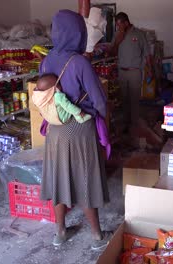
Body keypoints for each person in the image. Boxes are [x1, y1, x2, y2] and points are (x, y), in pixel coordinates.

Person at [39, 10, 111, 249]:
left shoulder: (46, 60)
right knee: (86, 179)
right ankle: (97, 236)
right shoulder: (79, 62)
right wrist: (101, 116)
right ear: (79, 33)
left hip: (55, 130)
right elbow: (99, 101)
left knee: (60, 178)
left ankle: (60, 232)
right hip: (80, 128)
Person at [111, 12, 153, 135]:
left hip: (135, 72)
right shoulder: (117, 35)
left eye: (120, 24)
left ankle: (135, 125)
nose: (118, 27)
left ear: (126, 22)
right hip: (122, 72)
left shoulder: (139, 34)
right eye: (117, 25)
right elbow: (112, 52)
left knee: (134, 99)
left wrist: (150, 70)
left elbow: (147, 54)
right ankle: (126, 124)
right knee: (124, 99)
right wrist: (118, 40)